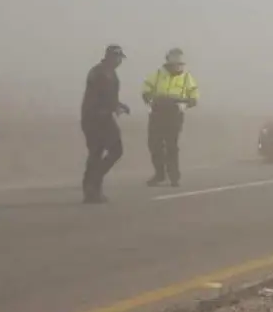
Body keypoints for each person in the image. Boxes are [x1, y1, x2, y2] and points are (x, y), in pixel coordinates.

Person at [142, 47, 199, 187]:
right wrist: (150, 102)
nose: (176, 62)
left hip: (174, 114)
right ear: (168, 60)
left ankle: (174, 176)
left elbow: (194, 97)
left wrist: (184, 105)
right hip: (157, 113)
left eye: (179, 59)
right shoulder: (157, 74)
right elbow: (146, 91)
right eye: (174, 58)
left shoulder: (187, 77)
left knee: (171, 146)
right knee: (154, 144)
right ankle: (159, 174)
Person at [80, 44, 131, 203]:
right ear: (110, 57)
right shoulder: (101, 73)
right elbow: (100, 96)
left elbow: (108, 97)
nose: (119, 61)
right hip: (97, 118)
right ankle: (93, 184)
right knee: (115, 150)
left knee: (96, 153)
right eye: (117, 58)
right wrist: (114, 106)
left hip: (95, 117)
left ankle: (91, 190)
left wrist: (119, 105)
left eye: (120, 58)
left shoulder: (107, 73)